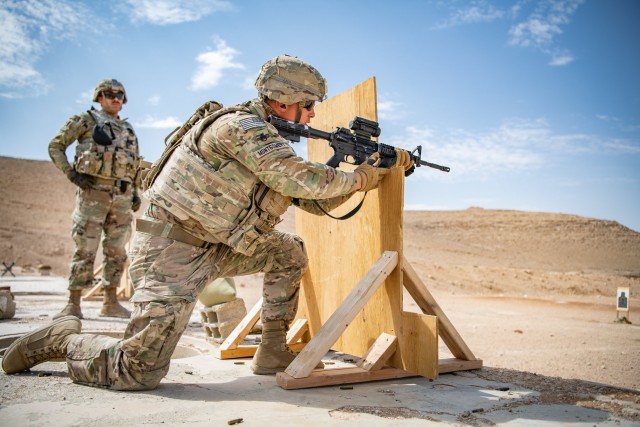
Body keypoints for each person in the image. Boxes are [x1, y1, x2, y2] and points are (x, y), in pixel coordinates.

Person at [2, 55, 412, 390]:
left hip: (215, 249)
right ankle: (62, 340)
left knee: (288, 252)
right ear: (284, 100)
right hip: (170, 253)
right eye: (307, 104)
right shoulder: (241, 128)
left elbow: (316, 200)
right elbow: (300, 178)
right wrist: (360, 178)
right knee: (136, 371)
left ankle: (272, 348)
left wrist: (373, 173)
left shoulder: (269, 140)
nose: (312, 113)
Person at [48, 79, 142, 319]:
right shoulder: (86, 121)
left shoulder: (128, 129)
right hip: (93, 194)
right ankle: (73, 303)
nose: (116, 98)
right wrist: (72, 174)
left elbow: (134, 164)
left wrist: (134, 193)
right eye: (110, 94)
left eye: (120, 95)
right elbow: (56, 146)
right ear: (99, 97)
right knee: (85, 248)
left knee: (117, 251)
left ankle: (110, 302)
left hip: (121, 198)